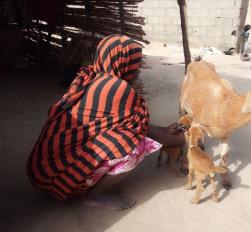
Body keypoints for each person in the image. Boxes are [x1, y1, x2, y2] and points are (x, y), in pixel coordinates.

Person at [27, 35, 186, 210]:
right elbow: (138, 131)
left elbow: (128, 123)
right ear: (122, 62)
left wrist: (165, 129)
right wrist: (181, 140)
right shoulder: (117, 88)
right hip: (63, 177)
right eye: (135, 64)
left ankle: (85, 181)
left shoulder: (90, 75)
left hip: (42, 170)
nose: (138, 69)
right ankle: (95, 196)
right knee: (136, 144)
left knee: (127, 134)